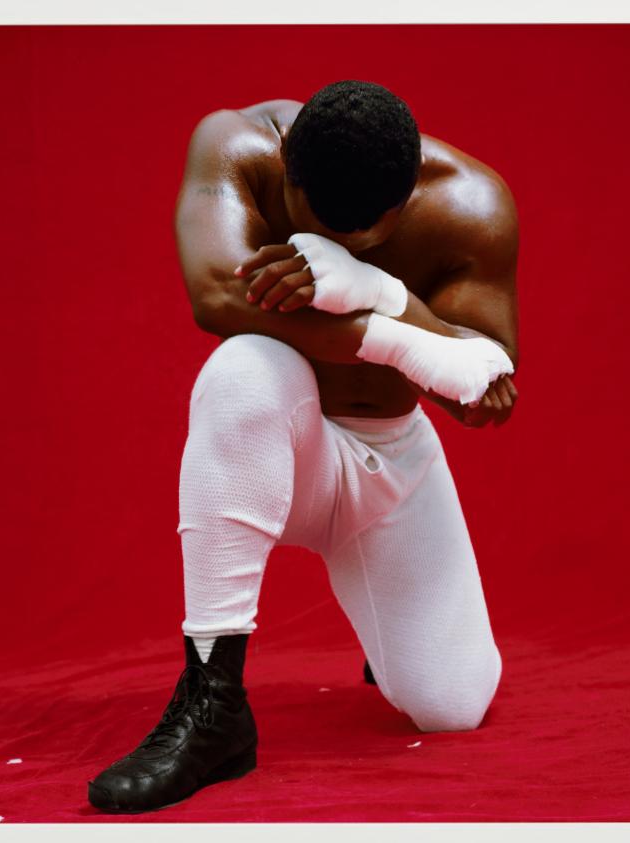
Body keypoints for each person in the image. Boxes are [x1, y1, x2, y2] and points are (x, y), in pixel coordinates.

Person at [88, 79, 519, 814]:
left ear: (407, 192)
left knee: (452, 705)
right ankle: (212, 701)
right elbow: (216, 299)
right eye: (322, 225)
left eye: (371, 235)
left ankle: (387, 630)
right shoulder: (236, 147)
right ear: (286, 166)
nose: (344, 244)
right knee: (243, 367)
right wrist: (401, 339)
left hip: (391, 464)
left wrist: (376, 288)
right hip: (270, 451)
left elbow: (482, 397)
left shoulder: (470, 205)